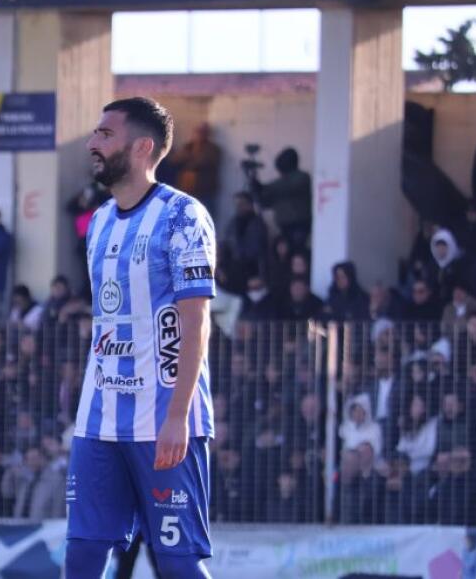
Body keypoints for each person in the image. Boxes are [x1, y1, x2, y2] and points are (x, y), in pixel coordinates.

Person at [66, 97, 216, 578]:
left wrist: (178, 416)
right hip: (99, 420)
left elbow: (196, 323)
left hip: (164, 423)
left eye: (105, 134)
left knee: (177, 564)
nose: (92, 142)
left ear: (142, 147)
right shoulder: (100, 221)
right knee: (83, 558)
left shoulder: (183, 216)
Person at [250, 147, 311, 250]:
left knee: (297, 252)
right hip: (284, 225)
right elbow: (266, 203)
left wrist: (263, 187)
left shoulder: (302, 177)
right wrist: (257, 190)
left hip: (299, 225)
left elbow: (288, 186)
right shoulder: (279, 185)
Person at [169, 123, 222, 215]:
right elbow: (175, 160)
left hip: (205, 191)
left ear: (207, 134)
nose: (199, 134)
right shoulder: (188, 146)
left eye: (203, 132)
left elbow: (201, 162)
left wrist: (188, 158)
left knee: (205, 218)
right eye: (198, 131)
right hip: (187, 190)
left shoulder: (213, 149)